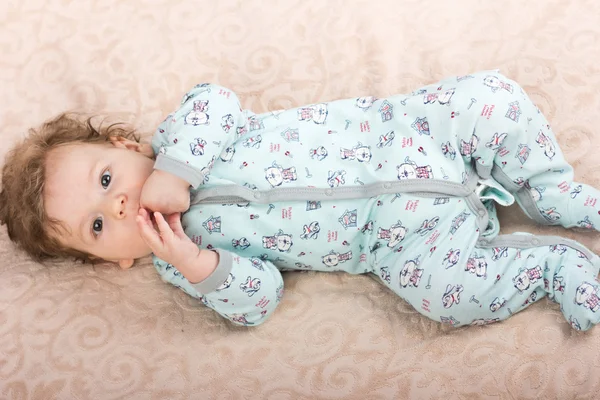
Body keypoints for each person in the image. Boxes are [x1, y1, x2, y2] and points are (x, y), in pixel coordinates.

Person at [2, 70, 600, 331]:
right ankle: (553, 266)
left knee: (489, 98)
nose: (124, 208)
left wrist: (176, 172)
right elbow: (259, 300)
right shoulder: (182, 263)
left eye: (108, 182)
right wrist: (199, 266)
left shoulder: (186, 133)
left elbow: (217, 97)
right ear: (115, 262)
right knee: (451, 298)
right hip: (393, 238)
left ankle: (549, 190)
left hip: (405, 134)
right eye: (99, 228)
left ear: (126, 144)